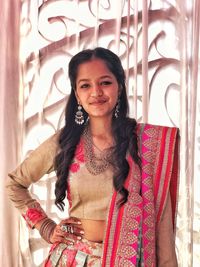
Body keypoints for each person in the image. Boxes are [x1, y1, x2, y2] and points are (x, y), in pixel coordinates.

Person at [6, 47, 179, 266]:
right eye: (85, 85)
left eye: (105, 82)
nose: (96, 92)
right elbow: (14, 183)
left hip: (132, 260)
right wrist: (45, 226)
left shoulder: (148, 143)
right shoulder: (65, 142)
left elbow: (161, 222)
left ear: (120, 86)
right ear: (77, 94)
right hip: (74, 259)